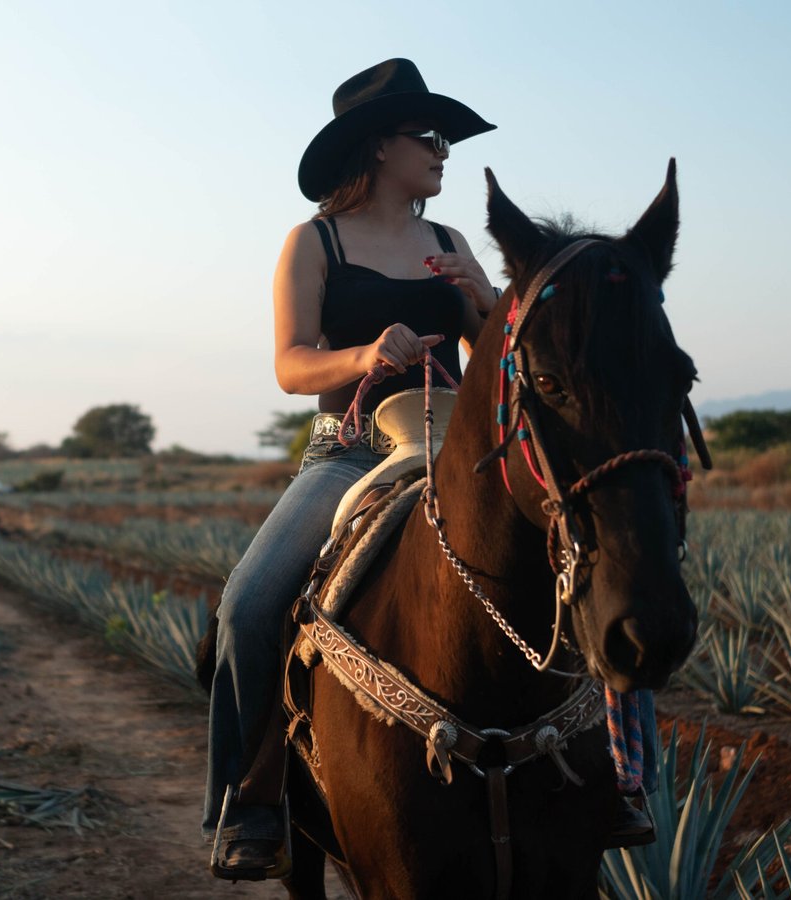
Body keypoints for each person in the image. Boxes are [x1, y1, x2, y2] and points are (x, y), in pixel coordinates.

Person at [203, 58, 498, 879]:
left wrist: (489, 299)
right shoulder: (315, 242)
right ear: (376, 148)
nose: (444, 151)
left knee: (583, 562)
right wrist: (366, 353)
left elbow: (495, 367)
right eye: (428, 137)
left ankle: (612, 778)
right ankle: (247, 804)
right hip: (354, 449)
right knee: (248, 604)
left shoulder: (451, 243)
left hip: (453, 451)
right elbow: (291, 367)